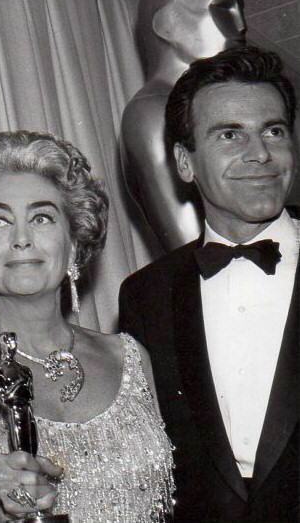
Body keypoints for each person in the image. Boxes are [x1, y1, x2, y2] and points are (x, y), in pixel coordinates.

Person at [0, 130, 173, 522]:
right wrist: (1, 511)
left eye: (41, 218)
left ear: (74, 243)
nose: (21, 239)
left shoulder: (131, 358)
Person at [120, 45, 298, 521]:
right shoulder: (145, 295)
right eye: (229, 135)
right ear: (184, 163)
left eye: (274, 131)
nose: (260, 153)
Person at [120, 0, 246, 252]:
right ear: (167, 25)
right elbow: (197, 253)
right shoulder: (153, 112)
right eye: (221, 8)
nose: (241, 24)